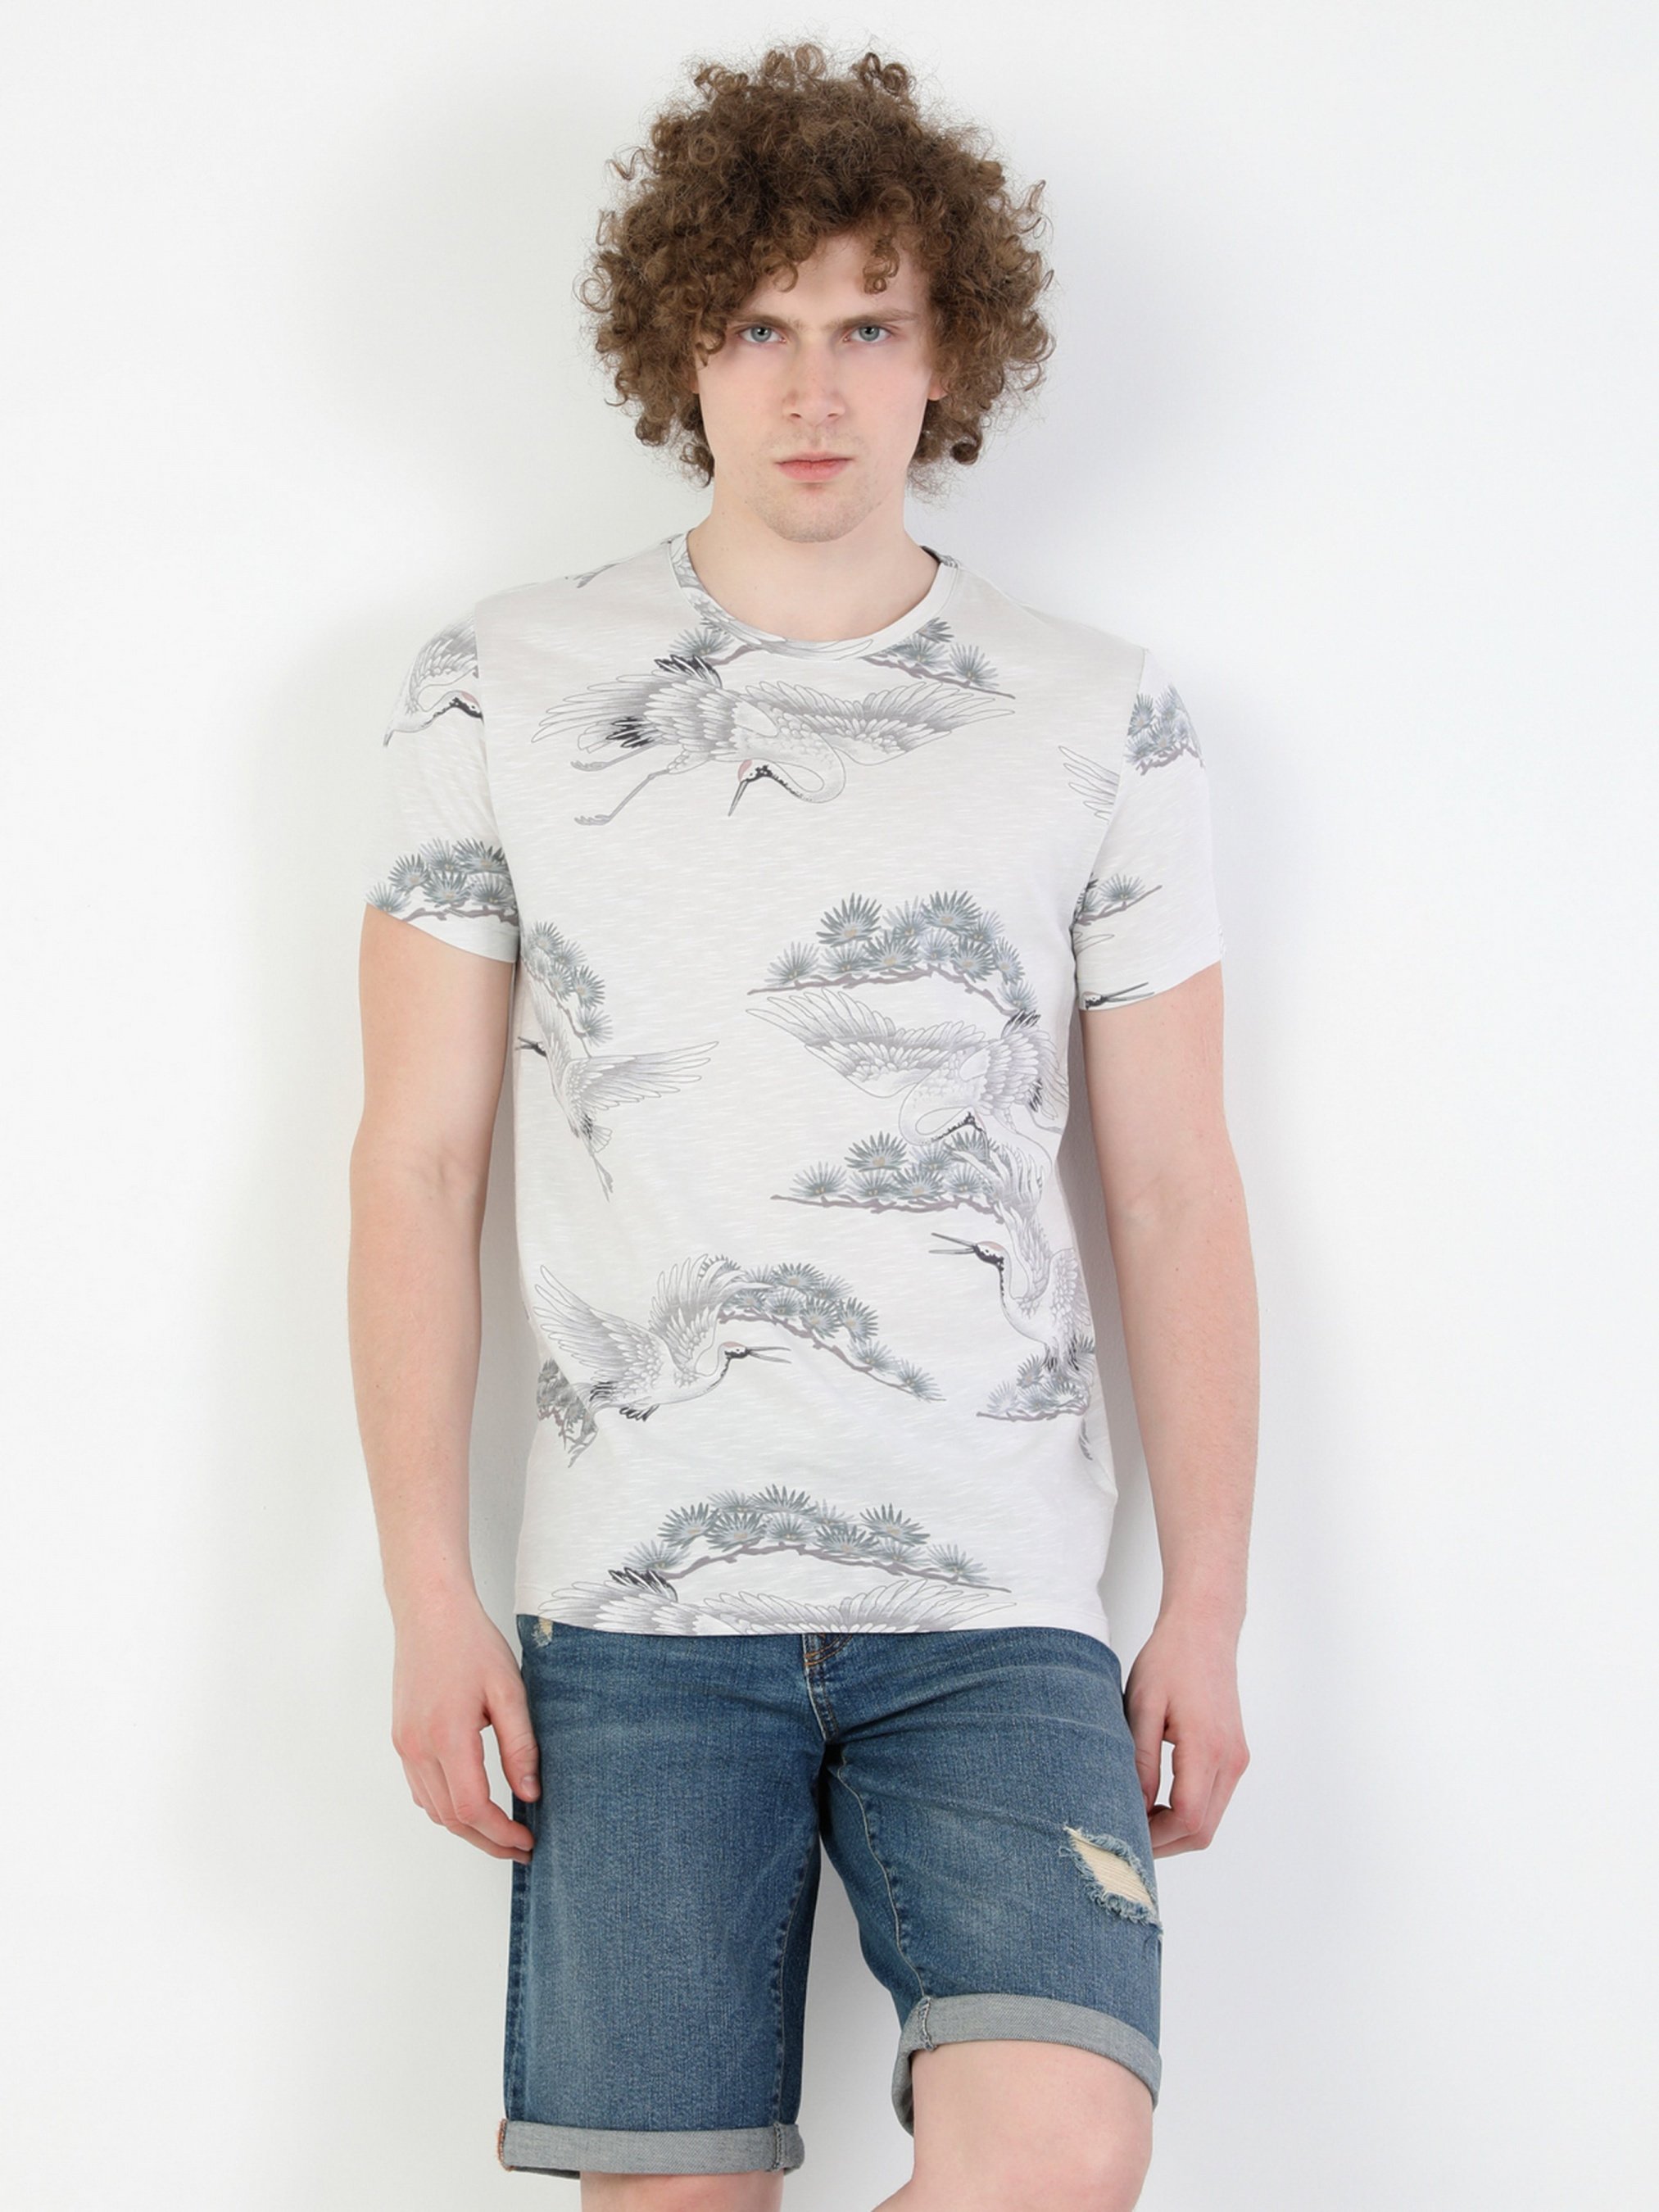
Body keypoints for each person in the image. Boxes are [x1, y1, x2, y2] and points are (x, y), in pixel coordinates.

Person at [348, 39, 1258, 2212]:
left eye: (868, 322)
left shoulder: (1097, 711)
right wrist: (426, 1591)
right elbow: (417, 1163)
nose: (815, 386)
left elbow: (1170, 1184)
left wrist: (1206, 1606)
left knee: (1061, 2154)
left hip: (1001, 1605)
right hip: (634, 1623)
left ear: (951, 353)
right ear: (686, 346)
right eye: (761, 326)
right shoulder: (502, 682)